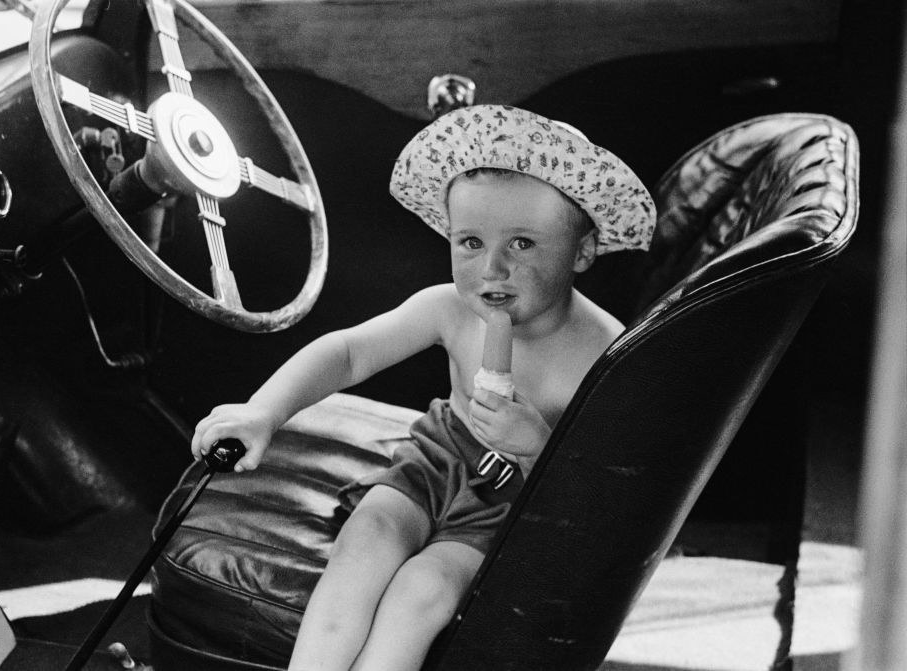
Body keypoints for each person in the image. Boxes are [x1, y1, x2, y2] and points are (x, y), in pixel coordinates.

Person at [190, 104, 656, 671]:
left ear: (581, 252)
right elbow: (349, 352)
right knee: (365, 542)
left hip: (515, 503)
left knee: (422, 591)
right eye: (471, 243)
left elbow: (610, 491)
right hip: (435, 460)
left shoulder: (604, 351)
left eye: (523, 245)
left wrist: (539, 445)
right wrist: (263, 412)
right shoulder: (449, 308)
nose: (492, 270)